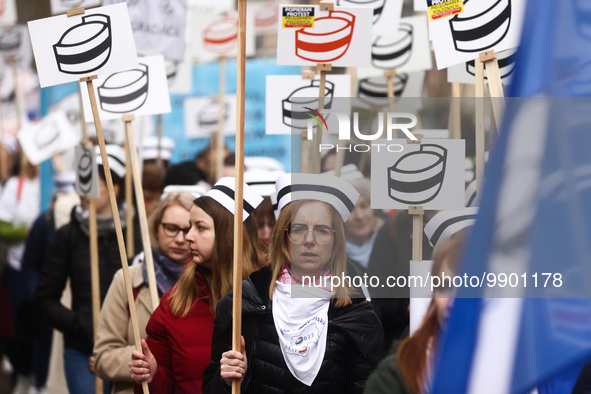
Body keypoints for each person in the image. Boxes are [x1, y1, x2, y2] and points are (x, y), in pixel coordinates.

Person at [203, 173, 384, 393]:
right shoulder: (242, 305)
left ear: (336, 240)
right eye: (298, 229)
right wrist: (227, 380)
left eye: (322, 230)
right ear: (282, 236)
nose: (309, 240)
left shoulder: (357, 313)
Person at [129, 177, 266, 393]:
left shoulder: (276, 292)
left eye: (200, 228)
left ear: (229, 234)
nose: (188, 237)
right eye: (190, 226)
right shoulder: (173, 304)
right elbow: (166, 387)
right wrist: (152, 374)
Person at [34, 145, 142, 394]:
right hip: (82, 349)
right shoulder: (68, 235)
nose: (84, 190)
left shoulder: (138, 234)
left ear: (115, 189)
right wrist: (78, 324)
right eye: (82, 181)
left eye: (93, 182)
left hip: (130, 351)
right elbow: (44, 298)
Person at [93, 191, 195, 394]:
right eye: (171, 228)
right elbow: (103, 356)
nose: (180, 238)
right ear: (156, 228)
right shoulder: (127, 280)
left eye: (189, 229)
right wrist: (151, 360)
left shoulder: (208, 284)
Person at [363, 233, 466, 394]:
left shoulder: (513, 370)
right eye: (444, 287)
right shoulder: (395, 376)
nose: (451, 302)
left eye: (466, 289)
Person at [344, 177, 383, 275]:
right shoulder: (333, 256)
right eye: (350, 210)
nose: (359, 216)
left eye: (364, 206)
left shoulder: (391, 241)